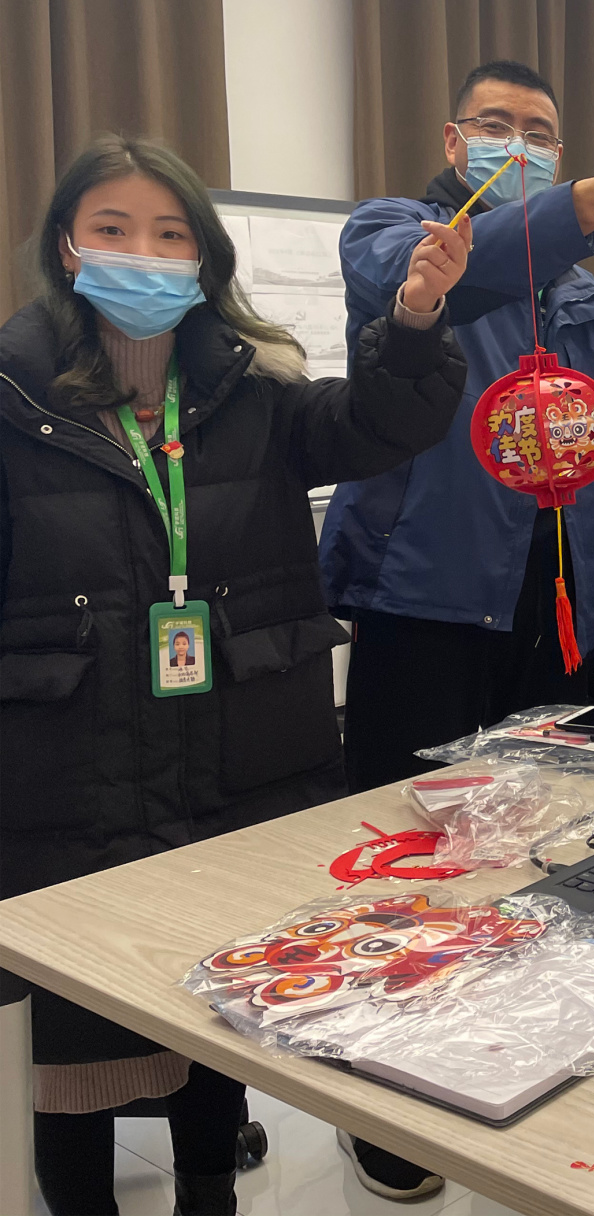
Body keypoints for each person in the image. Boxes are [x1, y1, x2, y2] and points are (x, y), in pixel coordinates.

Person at [0, 135, 467, 1216]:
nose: (144, 253)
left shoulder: (256, 388)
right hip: (72, 778)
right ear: (67, 246)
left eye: (171, 234)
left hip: (241, 768)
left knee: (225, 1018)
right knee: (74, 1055)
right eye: (113, 229)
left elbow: (384, 423)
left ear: (204, 258)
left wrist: (413, 321)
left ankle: (210, 1193)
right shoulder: (13, 398)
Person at [323, 60, 594, 792]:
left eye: (538, 136)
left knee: (546, 802)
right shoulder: (388, 228)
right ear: (453, 140)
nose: (517, 148)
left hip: (554, 590)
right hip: (426, 589)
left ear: (557, 156)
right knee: (413, 804)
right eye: (496, 127)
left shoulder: (577, 290)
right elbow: (436, 278)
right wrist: (585, 205)